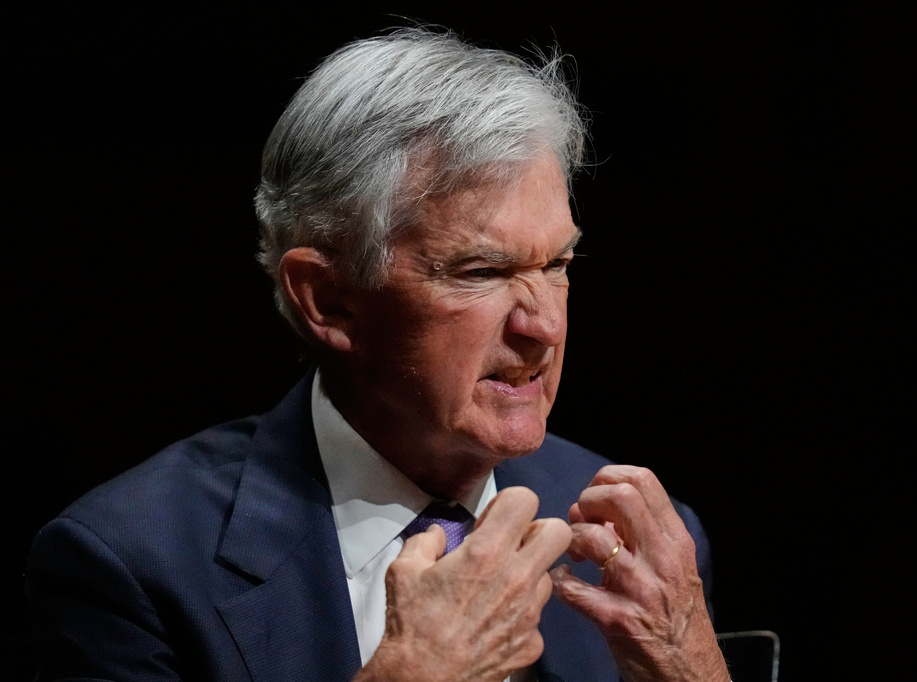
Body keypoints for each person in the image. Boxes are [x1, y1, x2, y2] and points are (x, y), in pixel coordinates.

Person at [27, 28, 731, 681]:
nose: (544, 326)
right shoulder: (130, 567)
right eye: (480, 273)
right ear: (328, 299)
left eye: (557, 264)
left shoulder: (635, 543)